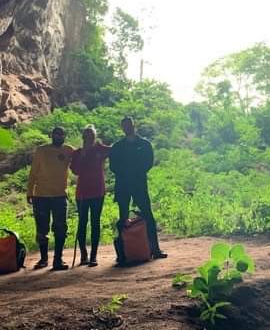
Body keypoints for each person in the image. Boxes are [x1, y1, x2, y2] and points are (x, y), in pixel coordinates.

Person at [109, 116, 167, 259]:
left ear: (134, 126)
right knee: (123, 218)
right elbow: (113, 166)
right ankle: (123, 253)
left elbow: (148, 163)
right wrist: (127, 174)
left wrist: (135, 173)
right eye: (125, 126)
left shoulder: (144, 144)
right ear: (122, 128)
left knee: (148, 216)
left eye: (130, 125)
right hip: (123, 186)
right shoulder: (117, 146)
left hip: (139, 185)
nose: (128, 127)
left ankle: (156, 249)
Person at [27, 127, 74, 271]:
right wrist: (30, 192)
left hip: (60, 195)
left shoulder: (69, 150)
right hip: (41, 196)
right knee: (42, 229)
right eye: (56, 134)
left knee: (61, 228)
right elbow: (33, 172)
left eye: (61, 134)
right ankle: (43, 259)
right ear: (52, 136)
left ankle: (58, 260)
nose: (58, 136)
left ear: (64, 136)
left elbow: (82, 158)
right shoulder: (41, 150)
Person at [70, 125, 111, 267]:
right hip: (82, 193)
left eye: (91, 136)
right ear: (83, 137)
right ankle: (83, 255)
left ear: (94, 137)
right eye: (86, 136)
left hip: (98, 192)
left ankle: (93, 256)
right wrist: (82, 155)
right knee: (82, 223)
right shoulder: (77, 153)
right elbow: (75, 170)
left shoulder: (99, 149)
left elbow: (114, 151)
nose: (89, 138)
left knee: (95, 222)